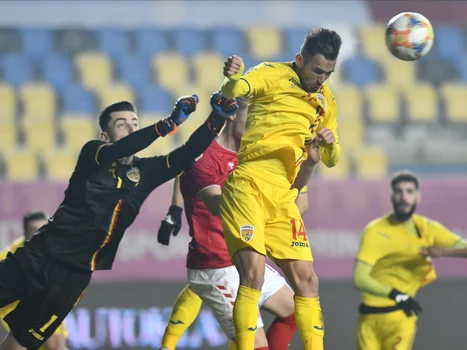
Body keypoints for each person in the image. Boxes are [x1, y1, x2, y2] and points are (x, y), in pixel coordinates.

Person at [0, 92, 237, 350]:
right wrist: (166, 125)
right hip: (39, 256)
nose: (130, 128)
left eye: (134, 123)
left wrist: (216, 120)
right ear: (106, 136)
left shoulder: (146, 172)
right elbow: (123, 148)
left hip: (72, 277)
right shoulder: (94, 153)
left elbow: (187, 154)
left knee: (20, 345)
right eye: (121, 124)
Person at [158, 97, 315, 350]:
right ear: (231, 115)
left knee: (295, 311)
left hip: (246, 258)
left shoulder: (260, 155)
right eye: (253, 117)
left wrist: (305, 166)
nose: (259, 126)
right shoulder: (205, 157)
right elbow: (216, 205)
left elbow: (300, 203)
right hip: (215, 264)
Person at [219, 28, 343, 350]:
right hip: (249, 183)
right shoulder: (271, 73)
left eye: (328, 73)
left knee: (307, 281)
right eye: (317, 70)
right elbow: (237, 89)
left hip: (284, 194)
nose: (321, 79)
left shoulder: (326, 101)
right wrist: (232, 77)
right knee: (254, 275)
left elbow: (332, 158)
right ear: (300, 59)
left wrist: (328, 146)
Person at [353, 171, 467, 350]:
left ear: (418, 197)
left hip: (401, 317)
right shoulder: (375, 231)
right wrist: (397, 294)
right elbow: (360, 278)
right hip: (369, 318)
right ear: (391, 196)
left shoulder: (428, 229)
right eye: (398, 192)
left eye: (409, 192)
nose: (404, 197)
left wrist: (444, 252)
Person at [0, 211, 68, 350]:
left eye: (46, 229)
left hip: (47, 305)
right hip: (17, 312)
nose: (43, 235)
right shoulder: (8, 260)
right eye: (37, 231)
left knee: (56, 346)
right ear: (25, 234)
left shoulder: (56, 253)